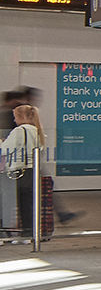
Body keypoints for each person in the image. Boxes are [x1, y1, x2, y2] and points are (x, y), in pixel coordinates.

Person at [2, 105, 42, 246]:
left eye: (16, 116)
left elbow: (4, 149)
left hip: (17, 172)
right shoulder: (37, 130)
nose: (14, 119)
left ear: (23, 117)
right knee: (28, 205)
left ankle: (5, 233)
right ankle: (29, 233)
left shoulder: (19, 131)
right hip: (32, 171)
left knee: (10, 203)